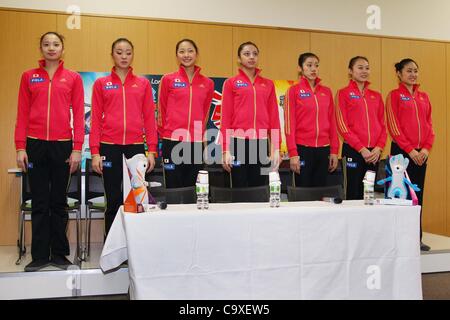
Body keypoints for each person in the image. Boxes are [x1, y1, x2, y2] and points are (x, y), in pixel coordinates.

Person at [15, 32, 85, 272]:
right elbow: (22, 113)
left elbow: (78, 113)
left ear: (62, 48)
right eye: (46, 44)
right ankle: (39, 255)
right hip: (34, 145)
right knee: (39, 202)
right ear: (41, 48)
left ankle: (59, 254)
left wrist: (77, 149)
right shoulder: (29, 77)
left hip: (62, 145)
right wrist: (20, 146)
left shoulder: (73, 78)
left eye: (56, 44)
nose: (51, 48)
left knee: (58, 201)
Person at [90, 38, 157, 236]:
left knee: (137, 199)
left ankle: (134, 244)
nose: (124, 56)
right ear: (112, 55)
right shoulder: (102, 84)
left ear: (133, 54)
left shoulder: (143, 84)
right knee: (113, 199)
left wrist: (151, 150)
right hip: (109, 147)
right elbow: (95, 120)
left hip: (135, 147)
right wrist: (95, 152)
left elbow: (150, 120)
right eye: (119, 52)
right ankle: (111, 248)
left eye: (128, 52)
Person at [386, 58, 435, 251]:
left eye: (415, 70)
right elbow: (394, 127)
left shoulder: (424, 97)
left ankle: (416, 238)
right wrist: (410, 150)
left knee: (417, 197)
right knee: (400, 197)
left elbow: (430, 127)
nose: (413, 74)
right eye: (408, 71)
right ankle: (396, 241)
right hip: (401, 154)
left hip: (421, 155)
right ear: (399, 74)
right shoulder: (394, 96)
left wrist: (425, 149)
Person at [220, 42, 281, 187]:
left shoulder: (268, 84)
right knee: (239, 191)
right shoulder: (231, 83)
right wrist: (225, 150)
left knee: (260, 190)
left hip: (260, 144)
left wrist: (275, 149)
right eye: (246, 54)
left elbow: (274, 119)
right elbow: (226, 119)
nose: (251, 57)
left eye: (255, 53)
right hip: (238, 143)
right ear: (239, 59)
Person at [157, 39, 214, 188]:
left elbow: (205, 114)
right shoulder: (168, 79)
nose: (186, 55)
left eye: (190, 51)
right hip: (172, 141)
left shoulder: (207, 83)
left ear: (196, 54)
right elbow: (161, 111)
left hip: (195, 143)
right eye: (182, 51)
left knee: (193, 189)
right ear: (176, 55)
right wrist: (166, 135)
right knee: (173, 188)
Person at [284, 52, 339, 187]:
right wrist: (293, 153)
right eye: (309, 65)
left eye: (316, 65)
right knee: (303, 194)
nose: (313, 69)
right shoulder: (293, 91)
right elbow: (289, 124)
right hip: (303, 149)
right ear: (300, 68)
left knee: (320, 193)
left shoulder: (326, 91)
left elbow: (332, 122)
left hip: (323, 150)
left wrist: (334, 151)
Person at [335, 56, 387, 199]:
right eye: (360, 67)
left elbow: (383, 126)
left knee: (369, 195)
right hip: (354, 151)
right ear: (350, 71)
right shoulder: (343, 93)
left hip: (374, 154)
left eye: (367, 68)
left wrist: (379, 148)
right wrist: (362, 149)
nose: (364, 71)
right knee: (353, 194)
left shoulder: (376, 96)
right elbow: (342, 125)